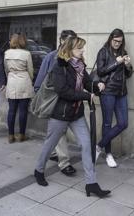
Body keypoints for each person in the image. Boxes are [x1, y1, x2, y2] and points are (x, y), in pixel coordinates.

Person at [33, 36, 111, 198]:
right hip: (60, 114)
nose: (82, 50)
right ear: (69, 49)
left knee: (87, 145)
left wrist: (97, 85)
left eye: (82, 48)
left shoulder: (80, 65)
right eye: (79, 48)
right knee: (50, 144)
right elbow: (63, 91)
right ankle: (39, 170)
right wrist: (85, 96)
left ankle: (91, 184)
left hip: (76, 114)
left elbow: (88, 82)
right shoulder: (59, 66)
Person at [33, 29, 77, 176]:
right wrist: (38, 91)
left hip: (68, 99)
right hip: (53, 100)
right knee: (60, 130)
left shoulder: (74, 57)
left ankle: (52, 152)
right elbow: (42, 76)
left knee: (55, 132)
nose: (71, 44)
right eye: (69, 41)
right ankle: (64, 163)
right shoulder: (51, 56)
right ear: (61, 41)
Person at [95, 28, 133, 168]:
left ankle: (99, 146)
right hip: (108, 92)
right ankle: (109, 154)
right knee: (107, 123)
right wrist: (116, 63)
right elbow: (100, 71)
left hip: (121, 92)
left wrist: (128, 65)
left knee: (123, 123)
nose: (117, 43)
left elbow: (128, 75)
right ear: (111, 38)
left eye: (120, 41)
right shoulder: (103, 51)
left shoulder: (124, 53)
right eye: (115, 40)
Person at [4, 33, 34, 143]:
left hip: (11, 81)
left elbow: (6, 69)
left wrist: (11, 76)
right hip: (24, 81)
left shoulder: (7, 53)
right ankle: (22, 135)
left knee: (11, 110)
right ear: (22, 41)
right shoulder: (26, 54)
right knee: (23, 110)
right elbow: (30, 70)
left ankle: (10, 136)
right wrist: (31, 80)